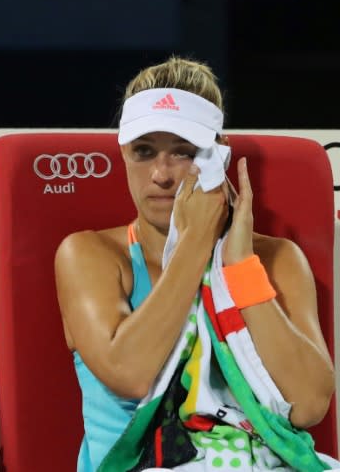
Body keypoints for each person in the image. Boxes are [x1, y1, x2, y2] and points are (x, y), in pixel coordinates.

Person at [54, 56, 336, 471]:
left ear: (217, 156)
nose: (162, 175)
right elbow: (130, 373)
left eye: (183, 152)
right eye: (144, 151)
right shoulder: (89, 254)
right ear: (124, 156)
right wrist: (195, 241)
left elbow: (309, 405)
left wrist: (239, 267)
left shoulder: (276, 258)